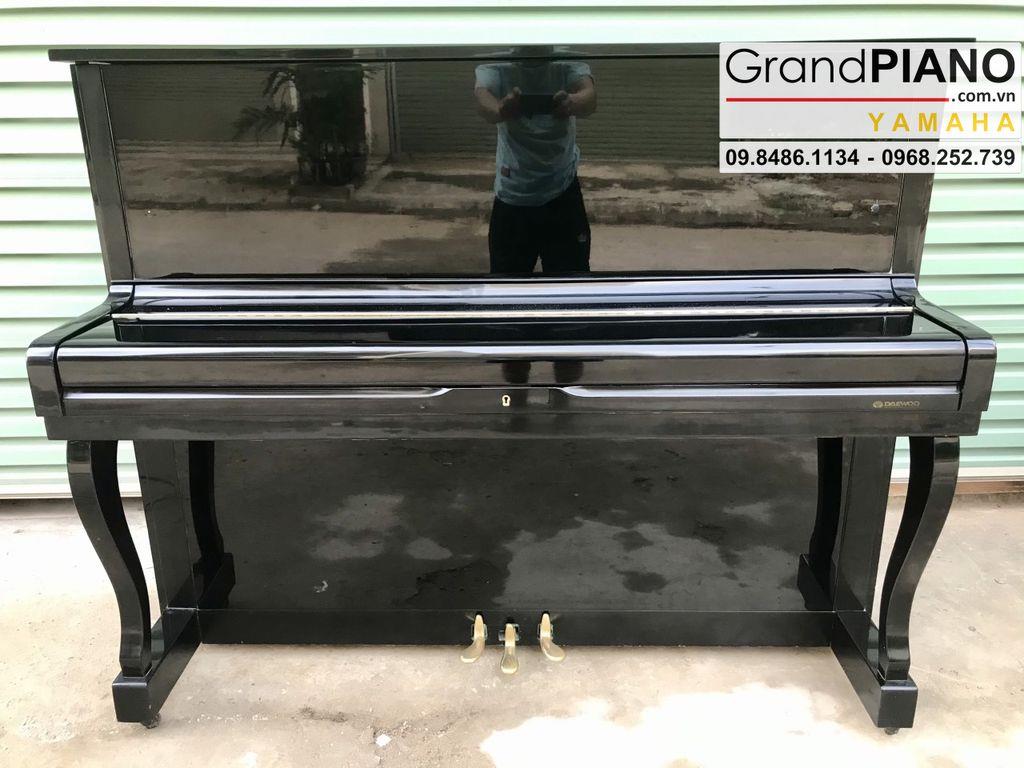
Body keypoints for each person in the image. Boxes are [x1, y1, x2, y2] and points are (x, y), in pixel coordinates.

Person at [474, 54, 596, 275]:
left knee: (570, 283)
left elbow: (589, 97)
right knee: (508, 285)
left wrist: (572, 102)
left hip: (561, 189)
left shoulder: (563, 57)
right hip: (514, 194)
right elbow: (483, 99)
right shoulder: (500, 61)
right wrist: (500, 110)